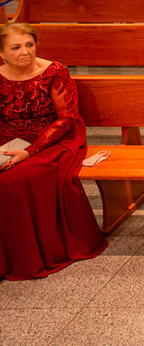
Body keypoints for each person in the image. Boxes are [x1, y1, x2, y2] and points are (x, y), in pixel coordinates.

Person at [0, 23, 106, 280]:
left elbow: (66, 118)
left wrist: (31, 150)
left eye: (29, 45)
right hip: (9, 138)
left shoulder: (54, 72)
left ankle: (29, 257)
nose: (25, 52)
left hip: (53, 139)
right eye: (16, 47)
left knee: (13, 180)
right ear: (2, 53)